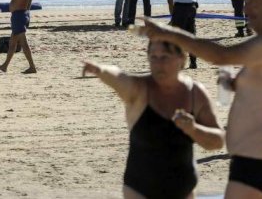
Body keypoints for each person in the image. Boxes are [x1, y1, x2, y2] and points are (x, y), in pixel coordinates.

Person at [139, 0, 262, 198]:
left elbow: (220, 55)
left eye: (253, 2)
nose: (246, 9)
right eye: (245, 1)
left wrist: (169, 33)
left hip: (258, 163)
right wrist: (236, 84)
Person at [82, 40, 224, 199]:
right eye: (153, 57)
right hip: (140, 191)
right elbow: (118, 76)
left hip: (183, 192)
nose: (158, 63)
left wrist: (193, 130)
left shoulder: (195, 93)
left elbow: (217, 141)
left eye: (165, 57)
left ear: (182, 59)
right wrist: (100, 69)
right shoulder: (139, 89)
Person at [0, 0, 37, 74]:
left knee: (23, 43)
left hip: (19, 16)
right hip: (24, 14)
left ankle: (32, 67)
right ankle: (5, 66)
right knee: (12, 43)